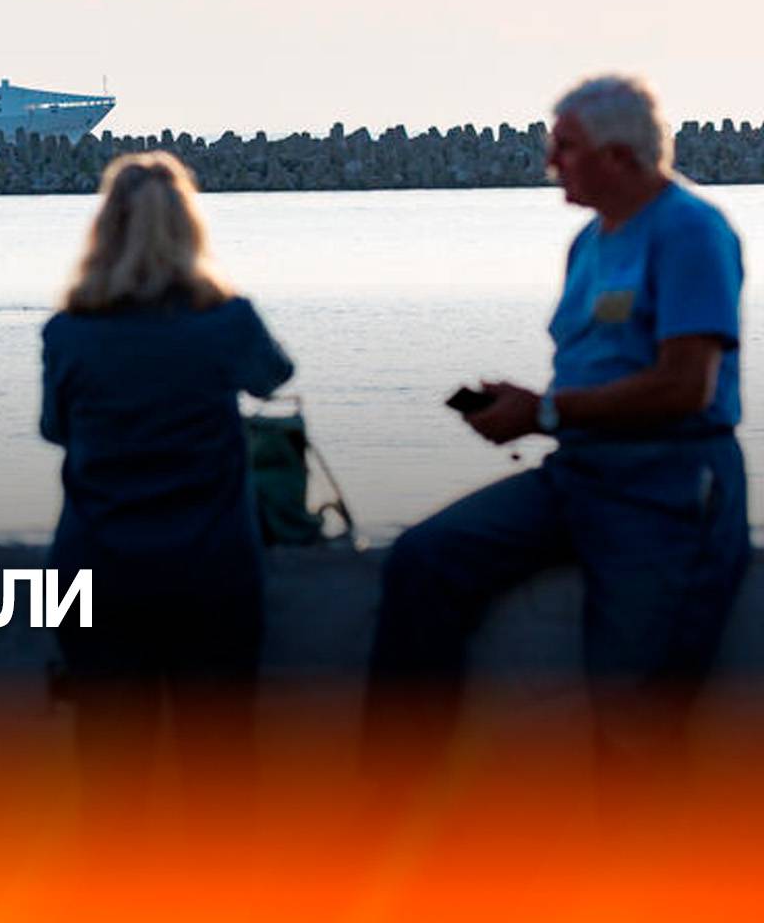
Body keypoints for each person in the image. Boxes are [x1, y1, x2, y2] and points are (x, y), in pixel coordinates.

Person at [364, 75, 748, 786]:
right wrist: (529, 409)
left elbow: (684, 387)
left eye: (565, 148)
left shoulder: (691, 233)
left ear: (619, 155)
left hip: (666, 491)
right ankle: (397, 795)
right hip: (579, 474)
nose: (549, 163)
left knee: (633, 715)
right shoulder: (588, 244)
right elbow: (591, 373)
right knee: (424, 562)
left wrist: (544, 412)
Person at [41, 151, 294, 817]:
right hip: (211, 568)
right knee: (219, 775)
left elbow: (55, 429)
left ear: (106, 230)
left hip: (97, 572)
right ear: (188, 228)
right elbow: (274, 377)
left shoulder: (68, 333)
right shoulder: (227, 322)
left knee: (110, 783)